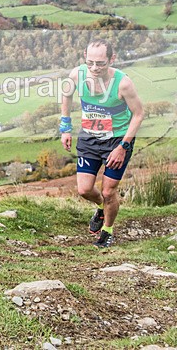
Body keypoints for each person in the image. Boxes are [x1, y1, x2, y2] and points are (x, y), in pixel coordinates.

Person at [60, 38, 145, 248]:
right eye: (90, 63)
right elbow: (66, 95)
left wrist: (123, 147)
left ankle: (107, 230)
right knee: (84, 189)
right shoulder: (77, 75)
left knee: (108, 192)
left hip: (117, 140)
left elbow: (139, 115)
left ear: (111, 59)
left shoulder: (123, 83)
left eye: (100, 63)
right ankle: (100, 207)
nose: (94, 68)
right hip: (89, 137)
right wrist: (65, 127)